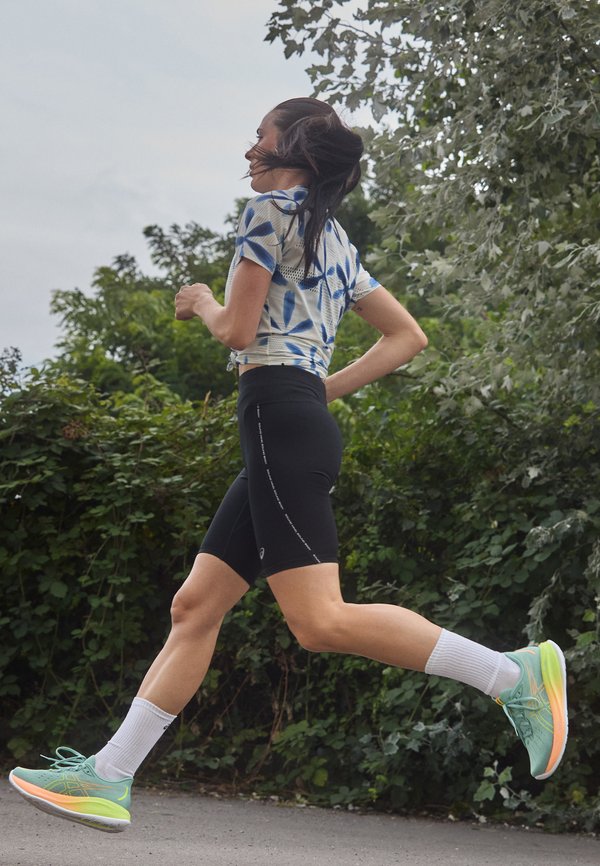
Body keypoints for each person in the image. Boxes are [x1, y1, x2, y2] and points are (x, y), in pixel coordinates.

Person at [8, 98, 568, 833]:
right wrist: (318, 391)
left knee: (319, 620)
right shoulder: (331, 238)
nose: (250, 150)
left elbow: (238, 330)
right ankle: (107, 778)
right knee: (194, 607)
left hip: (278, 420)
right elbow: (408, 336)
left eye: (261, 137)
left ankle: (511, 674)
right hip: (289, 420)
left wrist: (201, 302)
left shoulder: (271, 213)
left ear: (293, 147)